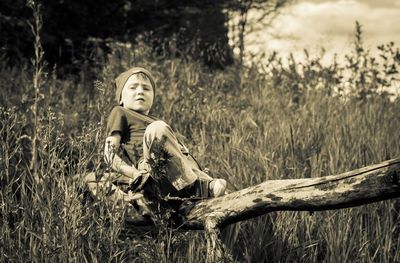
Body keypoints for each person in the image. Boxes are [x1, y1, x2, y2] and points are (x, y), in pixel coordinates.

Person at [86, 67, 226, 213]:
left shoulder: (158, 121)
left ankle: (201, 190)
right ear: (121, 97)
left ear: (153, 97)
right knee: (157, 129)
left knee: (226, 199)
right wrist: (134, 174)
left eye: (146, 88)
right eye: (133, 87)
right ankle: (197, 189)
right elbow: (109, 155)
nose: (140, 91)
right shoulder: (120, 112)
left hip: (184, 170)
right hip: (152, 171)